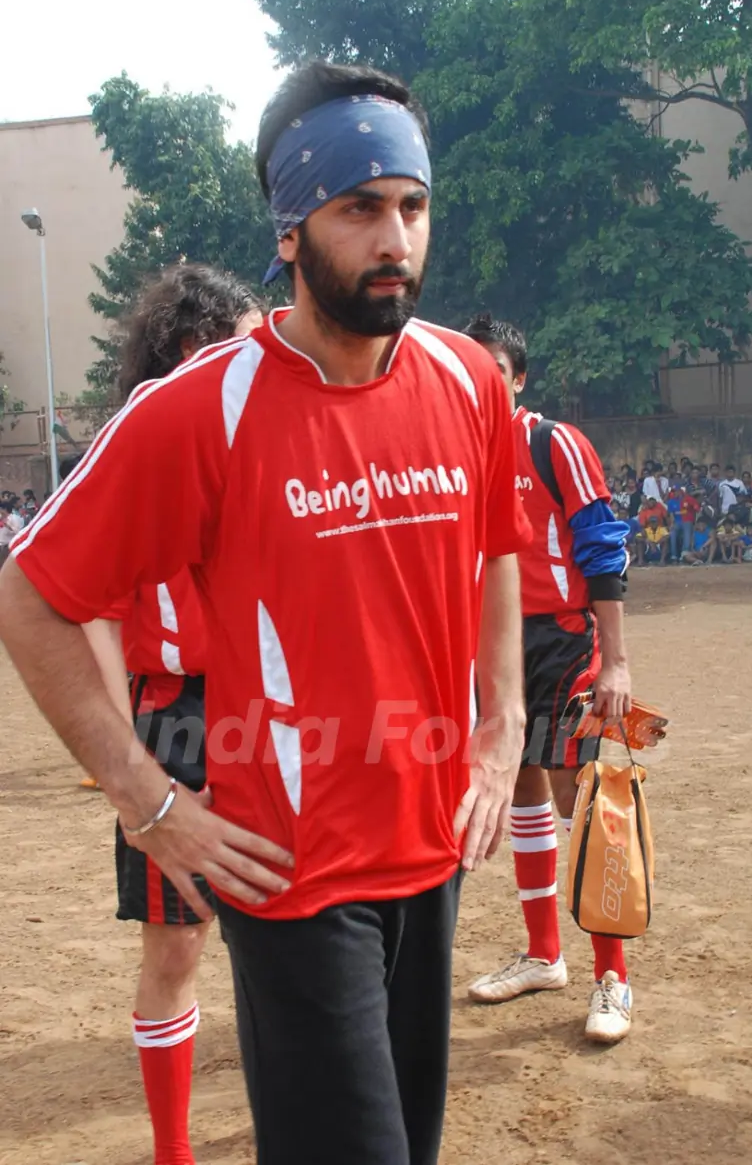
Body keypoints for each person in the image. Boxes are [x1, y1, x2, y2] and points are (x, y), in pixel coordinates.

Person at [0, 60, 530, 1165]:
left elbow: (493, 548)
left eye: (412, 207)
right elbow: (31, 595)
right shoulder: (201, 411)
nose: (395, 237)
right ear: (291, 229)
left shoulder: (470, 382)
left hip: (431, 852)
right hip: (288, 877)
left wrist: (501, 726)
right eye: (358, 208)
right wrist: (144, 800)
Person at [83, 265, 262, 1165]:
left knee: (294, 932)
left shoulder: (265, 444)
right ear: (195, 349)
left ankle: (308, 1110)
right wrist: (123, 759)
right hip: (178, 718)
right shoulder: (134, 449)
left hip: (275, 713)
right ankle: (173, 1151)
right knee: (177, 949)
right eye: (244, 339)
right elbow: (84, 610)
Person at [462, 313, 634, 1044]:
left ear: (518, 378)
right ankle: (542, 955)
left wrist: (617, 660)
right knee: (521, 787)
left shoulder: (551, 442)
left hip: (565, 641)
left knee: (584, 797)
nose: (481, 387)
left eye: (494, 373)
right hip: (493, 644)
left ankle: (613, 978)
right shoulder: (454, 452)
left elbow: (600, 545)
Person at [0, 499, 24, 566]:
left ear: (4, 509)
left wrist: (7, 525)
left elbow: (17, 531)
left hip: (8, 545)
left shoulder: (14, 518)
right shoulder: (1, 518)